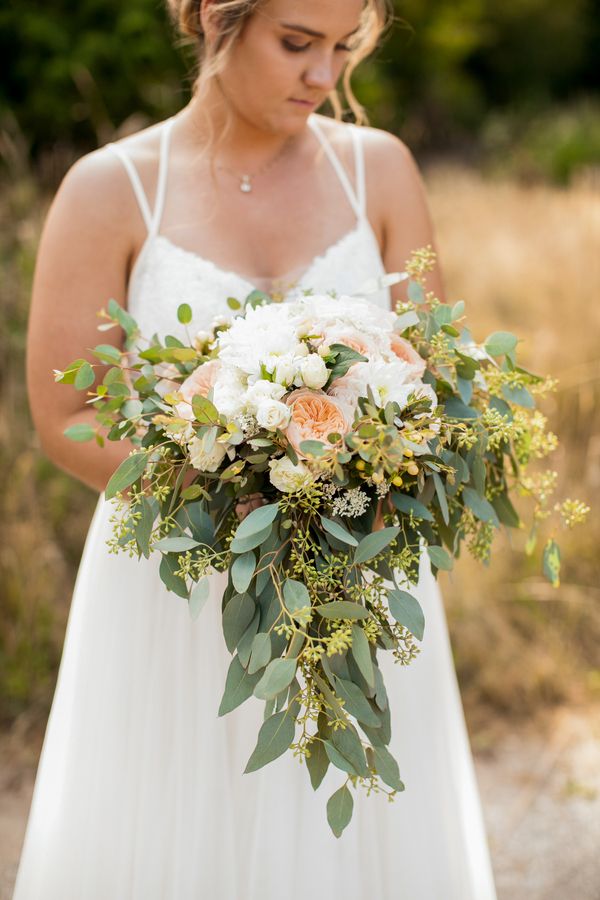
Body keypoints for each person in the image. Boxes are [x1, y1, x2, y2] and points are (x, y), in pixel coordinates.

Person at [16, 1, 498, 897]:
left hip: (360, 581)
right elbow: (65, 413)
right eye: (297, 44)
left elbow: (434, 384)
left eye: (343, 47)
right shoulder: (110, 186)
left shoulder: (379, 170)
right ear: (212, 18)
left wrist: (376, 471)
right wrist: (221, 486)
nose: (324, 77)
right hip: (179, 589)